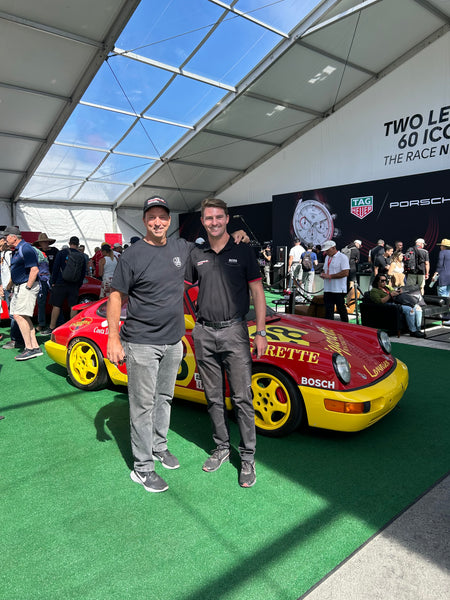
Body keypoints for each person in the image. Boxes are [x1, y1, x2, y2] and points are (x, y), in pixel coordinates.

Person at [106, 195, 249, 494]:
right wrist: (113, 338)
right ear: (145, 220)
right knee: (142, 406)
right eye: (151, 217)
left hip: (173, 342)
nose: (157, 222)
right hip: (142, 342)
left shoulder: (181, 248)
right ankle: (143, 468)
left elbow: (214, 246)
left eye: (162, 217)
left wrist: (233, 236)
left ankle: (159, 446)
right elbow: (116, 296)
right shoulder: (131, 255)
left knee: (164, 398)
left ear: (169, 221)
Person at [185, 198, 267, 488]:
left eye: (219, 217)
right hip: (204, 333)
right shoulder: (196, 253)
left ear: (227, 219)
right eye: (209, 218)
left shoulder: (243, 251)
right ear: (203, 222)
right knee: (213, 396)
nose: (214, 222)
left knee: (243, 398)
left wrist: (260, 332)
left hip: (235, 332)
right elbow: (180, 283)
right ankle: (221, 448)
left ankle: (247, 457)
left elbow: (257, 292)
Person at [3, 226, 42, 360]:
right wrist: (11, 287)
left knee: (19, 316)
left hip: (26, 286)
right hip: (20, 286)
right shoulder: (19, 249)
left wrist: (27, 287)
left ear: (14, 236)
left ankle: (29, 348)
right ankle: (34, 347)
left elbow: (34, 270)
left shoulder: (25, 248)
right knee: (22, 316)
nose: (5, 238)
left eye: (7, 236)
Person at [48, 236, 86, 332]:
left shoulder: (61, 253)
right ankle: (72, 327)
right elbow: (83, 272)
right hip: (74, 284)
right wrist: (79, 284)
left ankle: (52, 327)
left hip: (60, 283)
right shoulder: (82, 256)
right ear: (78, 244)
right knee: (73, 306)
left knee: (56, 305)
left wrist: (53, 282)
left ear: (69, 243)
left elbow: (55, 268)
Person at [370, 274, 424, 338]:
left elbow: (394, 292)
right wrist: (390, 295)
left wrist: (398, 292)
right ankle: (413, 331)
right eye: (382, 281)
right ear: (377, 281)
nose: (384, 282)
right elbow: (380, 301)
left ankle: (418, 329)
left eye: (385, 280)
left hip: (398, 302)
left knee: (418, 308)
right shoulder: (374, 291)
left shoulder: (387, 287)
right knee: (410, 310)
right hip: (389, 306)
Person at [0, 233, 24, 350]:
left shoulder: (9, 254)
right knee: (12, 314)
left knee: (14, 314)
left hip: (11, 288)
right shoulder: (3, 254)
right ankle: (16, 339)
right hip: (6, 287)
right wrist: (2, 286)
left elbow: (12, 271)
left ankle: (17, 340)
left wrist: (9, 285)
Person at [320, 240, 349, 322]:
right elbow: (325, 269)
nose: (326, 252)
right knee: (328, 311)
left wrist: (330, 276)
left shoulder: (343, 257)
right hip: (328, 288)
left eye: (327, 250)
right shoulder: (327, 257)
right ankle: (329, 328)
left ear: (333, 248)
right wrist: (323, 274)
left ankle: (346, 326)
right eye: (325, 250)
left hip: (338, 289)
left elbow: (346, 272)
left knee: (341, 309)